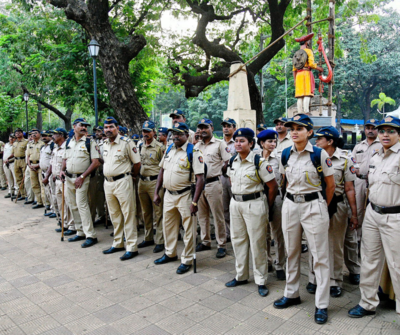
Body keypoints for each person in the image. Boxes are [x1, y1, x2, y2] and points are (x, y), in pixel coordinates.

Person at [273, 114, 335, 325]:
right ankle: (291, 294)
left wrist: (320, 207)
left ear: (309, 132)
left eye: (300, 128)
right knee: (291, 251)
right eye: (292, 128)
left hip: (314, 205)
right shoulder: (285, 154)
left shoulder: (319, 154)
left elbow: (331, 185)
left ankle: (322, 304)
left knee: (319, 256)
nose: (294, 131)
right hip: (291, 204)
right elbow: (284, 180)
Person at [348, 116, 400, 317]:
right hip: (372, 213)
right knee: (369, 260)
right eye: (382, 131)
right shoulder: (377, 156)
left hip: (394, 217)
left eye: (391, 131)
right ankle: (367, 303)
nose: (385, 134)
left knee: (397, 265)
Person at [225, 128, 278, 297]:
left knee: (258, 242)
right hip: (236, 203)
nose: (238, 144)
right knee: (238, 240)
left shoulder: (259, 162)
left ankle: (261, 280)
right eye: (236, 141)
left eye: (242, 141)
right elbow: (231, 180)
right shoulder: (233, 160)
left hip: (254, 204)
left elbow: (272, 187)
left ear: (251, 143)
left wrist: (266, 208)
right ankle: (241, 276)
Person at [307, 126, 358, 298]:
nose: (317, 141)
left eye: (320, 138)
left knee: (335, 245)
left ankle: (335, 280)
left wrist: (354, 214)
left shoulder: (344, 159)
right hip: (314, 204)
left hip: (337, 205)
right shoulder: (311, 155)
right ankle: (313, 278)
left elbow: (349, 189)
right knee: (315, 242)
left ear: (330, 141)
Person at [153, 122, 205, 274]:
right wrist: (157, 192)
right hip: (168, 195)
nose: (175, 136)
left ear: (186, 135)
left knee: (189, 229)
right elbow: (162, 171)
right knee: (168, 226)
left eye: (179, 134)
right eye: (173, 134)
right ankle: (170, 253)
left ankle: (187, 259)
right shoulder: (169, 149)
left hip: (185, 195)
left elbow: (200, 179)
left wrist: (195, 201)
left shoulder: (193, 152)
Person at [102, 117, 141, 261]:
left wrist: (132, 176)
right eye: (106, 127)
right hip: (108, 183)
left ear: (117, 128)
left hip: (123, 181)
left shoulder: (126, 143)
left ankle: (131, 247)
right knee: (114, 214)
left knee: (128, 213)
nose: (108, 130)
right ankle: (118, 243)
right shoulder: (104, 144)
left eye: (111, 127)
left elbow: (137, 163)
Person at [348, 118, 381, 285]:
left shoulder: (381, 145)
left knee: (373, 211)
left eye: (373, 128)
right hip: (360, 181)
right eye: (368, 127)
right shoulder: (358, 146)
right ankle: (359, 243)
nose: (370, 130)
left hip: (377, 182)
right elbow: (353, 163)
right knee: (358, 212)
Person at [61, 118, 101, 248]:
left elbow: (96, 162)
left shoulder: (90, 142)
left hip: (82, 178)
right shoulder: (69, 141)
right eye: (81, 125)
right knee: (72, 205)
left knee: (82, 205)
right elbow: (65, 158)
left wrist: (83, 176)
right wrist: (62, 170)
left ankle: (91, 235)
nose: (84, 128)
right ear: (74, 126)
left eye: (85, 126)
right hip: (68, 178)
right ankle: (80, 232)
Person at [195, 118, 230, 258]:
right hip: (199, 185)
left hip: (213, 183)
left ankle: (221, 244)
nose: (203, 130)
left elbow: (228, 161)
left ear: (211, 127)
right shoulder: (197, 145)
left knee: (218, 216)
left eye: (206, 127)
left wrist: (220, 171)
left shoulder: (220, 144)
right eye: (201, 128)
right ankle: (206, 241)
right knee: (202, 216)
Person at [257, 129, 286, 280]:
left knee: (278, 233)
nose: (272, 144)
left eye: (274, 141)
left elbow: (283, 178)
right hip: (260, 198)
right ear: (262, 143)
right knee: (263, 232)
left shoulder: (279, 158)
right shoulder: (256, 158)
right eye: (269, 141)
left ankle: (280, 264)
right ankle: (267, 261)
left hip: (276, 199)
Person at [137, 121, 165, 253]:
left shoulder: (160, 147)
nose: (145, 134)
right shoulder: (140, 145)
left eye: (148, 131)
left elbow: (163, 168)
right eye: (144, 131)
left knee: (158, 213)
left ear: (154, 132)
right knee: (145, 212)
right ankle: (148, 237)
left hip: (155, 182)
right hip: (142, 182)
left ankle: (160, 240)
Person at [45, 128, 76, 234]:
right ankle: (64, 224)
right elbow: (52, 163)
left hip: (65, 179)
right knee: (60, 203)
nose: (52, 136)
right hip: (56, 180)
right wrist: (49, 175)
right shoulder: (55, 148)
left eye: (55, 134)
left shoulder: (67, 147)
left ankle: (72, 226)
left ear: (61, 135)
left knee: (68, 203)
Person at [293, 33, 323, 114]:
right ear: (307, 43)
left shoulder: (296, 53)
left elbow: (294, 69)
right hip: (306, 74)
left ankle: (299, 112)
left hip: (298, 75)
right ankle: (306, 111)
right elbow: (311, 64)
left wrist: (295, 80)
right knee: (307, 94)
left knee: (299, 95)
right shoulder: (308, 51)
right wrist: (319, 68)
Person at [221, 117, 236, 242]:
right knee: (224, 207)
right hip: (222, 178)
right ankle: (227, 233)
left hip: (235, 178)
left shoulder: (237, 143)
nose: (226, 128)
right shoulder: (219, 143)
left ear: (234, 128)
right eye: (224, 126)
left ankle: (237, 233)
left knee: (235, 206)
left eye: (229, 126)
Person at [5, 128, 28, 201]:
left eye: (19, 132)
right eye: (16, 133)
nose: (17, 134)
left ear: (22, 133)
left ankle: (28, 195)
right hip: (16, 161)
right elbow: (13, 153)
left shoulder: (26, 142)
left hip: (23, 160)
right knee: (18, 179)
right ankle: (22, 194)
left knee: (26, 178)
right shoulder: (14, 143)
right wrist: (8, 158)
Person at [91, 125, 106, 225]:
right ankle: (101, 216)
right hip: (96, 174)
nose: (97, 133)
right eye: (96, 131)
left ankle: (106, 217)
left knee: (104, 196)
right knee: (98, 196)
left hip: (104, 172)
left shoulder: (105, 144)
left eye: (99, 131)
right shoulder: (94, 143)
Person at [26, 129, 45, 209]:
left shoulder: (43, 143)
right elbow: (28, 155)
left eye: (35, 133)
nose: (33, 135)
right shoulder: (30, 144)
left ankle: (45, 203)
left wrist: (38, 165)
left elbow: (44, 157)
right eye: (32, 133)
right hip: (32, 165)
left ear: (39, 134)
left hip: (40, 166)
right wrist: (29, 165)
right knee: (34, 184)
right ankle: (39, 201)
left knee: (42, 184)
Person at [39, 131, 56, 212]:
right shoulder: (43, 147)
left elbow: (53, 161)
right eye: (42, 136)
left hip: (50, 172)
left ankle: (55, 210)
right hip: (43, 171)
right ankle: (51, 207)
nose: (44, 137)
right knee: (47, 191)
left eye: (46, 136)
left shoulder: (52, 146)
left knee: (53, 192)